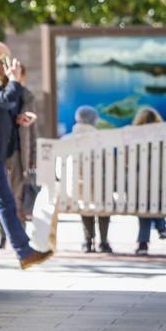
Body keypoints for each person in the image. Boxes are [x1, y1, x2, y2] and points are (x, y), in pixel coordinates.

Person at [0, 40, 53, 270]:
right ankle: (24, 251)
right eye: (5, 60)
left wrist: (17, 119)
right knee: (6, 202)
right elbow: (4, 100)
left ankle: (22, 252)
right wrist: (14, 81)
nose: (9, 65)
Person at [0, 66, 38, 249]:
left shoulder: (27, 96)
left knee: (18, 195)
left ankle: (20, 234)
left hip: (20, 152)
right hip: (0, 152)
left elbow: (33, 129)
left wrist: (33, 155)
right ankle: (1, 234)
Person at [68, 106, 113, 253]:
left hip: (75, 191)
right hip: (101, 189)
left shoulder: (67, 139)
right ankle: (104, 241)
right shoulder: (102, 140)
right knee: (103, 200)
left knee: (85, 202)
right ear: (94, 120)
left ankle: (88, 241)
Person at [132, 107, 166, 256]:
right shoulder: (165, 139)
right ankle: (161, 226)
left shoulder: (133, 138)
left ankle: (143, 244)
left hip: (138, 189)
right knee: (154, 198)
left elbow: (128, 164)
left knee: (145, 203)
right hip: (162, 188)